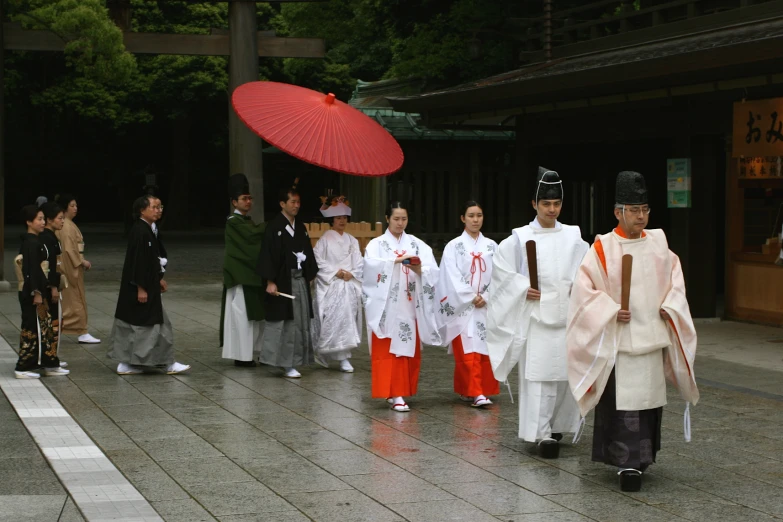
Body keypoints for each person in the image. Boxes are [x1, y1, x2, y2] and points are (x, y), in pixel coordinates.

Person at [567, 171, 699, 491]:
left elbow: (675, 282)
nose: (641, 216)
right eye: (633, 210)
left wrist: (671, 305)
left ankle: (643, 459)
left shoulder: (659, 243)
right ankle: (625, 464)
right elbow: (583, 293)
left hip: (651, 335)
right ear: (618, 212)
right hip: (619, 339)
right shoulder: (602, 248)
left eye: (645, 209)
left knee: (648, 403)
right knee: (624, 404)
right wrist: (611, 310)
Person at [488, 168, 587, 458]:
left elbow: (586, 270)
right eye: (546, 204)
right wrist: (521, 288)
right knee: (540, 376)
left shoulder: (573, 236)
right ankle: (541, 433)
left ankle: (559, 426)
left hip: (567, 316)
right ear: (534, 204)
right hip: (536, 317)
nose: (552, 209)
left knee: (566, 377)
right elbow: (501, 275)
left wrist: (580, 287)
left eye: (556, 204)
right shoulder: (518, 238)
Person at [362, 202, 441, 412]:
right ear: (387, 218)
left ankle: (399, 392)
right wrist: (395, 261)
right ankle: (394, 394)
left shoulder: (417, 244)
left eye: (404, 219)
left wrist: (419, 269)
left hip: (409, 304)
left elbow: (433, 271)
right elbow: (370, 269)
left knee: (405, 350)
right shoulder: (376, 244)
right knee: (389, 351)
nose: (400, 223)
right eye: (396, 219)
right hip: (387, 306)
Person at [107, 196, 191, 375]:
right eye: (154, 207)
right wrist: (141, 287)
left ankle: (153, 363)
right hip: (140, 287)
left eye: (160, 207)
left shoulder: (148, 229)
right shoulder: (140, 231)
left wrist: (157, 278)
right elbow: (137, 262)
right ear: (141, 210)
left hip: (146, 284)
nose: (158, 210)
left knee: (148, 326)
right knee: (147, 326)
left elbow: (150, 260)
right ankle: (153, 363)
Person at [437, 201, 499, 407]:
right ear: (463, 218)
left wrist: (487, 296)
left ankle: (475, 390)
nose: (475, 219)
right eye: (471, 215)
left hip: (485, 306)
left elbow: (500, 275)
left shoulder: (492, 246)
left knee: (484, 349)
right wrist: (470, 296)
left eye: (479, 215)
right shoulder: (454, 246)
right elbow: (450, 276)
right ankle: (476, 392)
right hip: (463, 307)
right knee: (468, 351)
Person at [259, 188, 318, 378]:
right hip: (283, 280)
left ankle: (296, 360)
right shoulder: (274, 226)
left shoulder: (300, 227)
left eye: (298, 202)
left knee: (299, 321)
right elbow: (268, 253)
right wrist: (270, 280)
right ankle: (286, 363)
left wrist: (309, 274)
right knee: (285, 323)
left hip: (299, 279)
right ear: (282, 204)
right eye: (292, 202)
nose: (296, 205)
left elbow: (308, 251)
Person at [13, 205, 67, 378]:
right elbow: (31, 270)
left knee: (44, 328)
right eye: (39, 219)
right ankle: (23, 366)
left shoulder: (36, 241)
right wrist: (36, 291)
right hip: (32, 291)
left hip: (38, 289)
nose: (43, 222)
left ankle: (45, 362)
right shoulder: (30, 242)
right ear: (29, 222)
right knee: (30, 327)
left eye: (44, 219)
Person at [312, 194, 363, 373]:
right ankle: (329, 353)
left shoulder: (352, 240)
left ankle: (344, 357)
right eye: (338, 218)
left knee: (347, 317)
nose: (342, 221)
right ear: (331, 220)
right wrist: (336, 272)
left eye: (344, 218)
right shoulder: (325, 239)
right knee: (333, 317)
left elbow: (359, 260)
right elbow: (318, 260)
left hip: (348, 283)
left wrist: (352, 273)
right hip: (332, 283)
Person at [220, 174, 266, 367]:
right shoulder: (233, 222)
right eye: (244, 199)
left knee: (253, 318)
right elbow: (250, 241)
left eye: (250, 198)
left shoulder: (247, 221)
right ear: (234, 202)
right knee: (242, 318)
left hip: (249, 275)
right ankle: (242, 356)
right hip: (240, 276)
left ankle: (252, 353)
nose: (248, 202)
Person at [55, 194, 100, 344]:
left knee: (73, 299)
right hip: (69, 265)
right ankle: (81, 330)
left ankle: (79, 329)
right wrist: (81, 262)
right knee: (75, 298)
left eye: (76, 205)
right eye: (72, 205)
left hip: (71, 263)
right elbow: (69, 250)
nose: (75, 208)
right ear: (65, 207)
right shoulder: (66, 226)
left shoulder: (67, 224)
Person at [39, 202, 69, 369]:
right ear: (50, 220)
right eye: (59, 218)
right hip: (50, 285)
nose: (62, 221)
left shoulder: (51, 237)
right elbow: (50, 265)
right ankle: (49, 357)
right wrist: (53, 286)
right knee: (52, 322)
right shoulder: (47, 238)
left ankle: (52, 355)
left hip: (53, 282)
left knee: (56, 321)